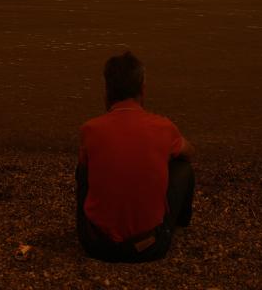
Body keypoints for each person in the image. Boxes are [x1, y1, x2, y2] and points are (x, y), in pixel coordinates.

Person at [76, 51, 195, 262]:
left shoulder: (90, 129)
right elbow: (190, 153)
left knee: (84, 168)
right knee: (183, 167)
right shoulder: (163, 127)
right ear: (142, 89)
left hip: (96, 245)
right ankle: (181, 223)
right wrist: (159, 157)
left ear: (107, 91)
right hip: (147, 247)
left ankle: (98, 219)